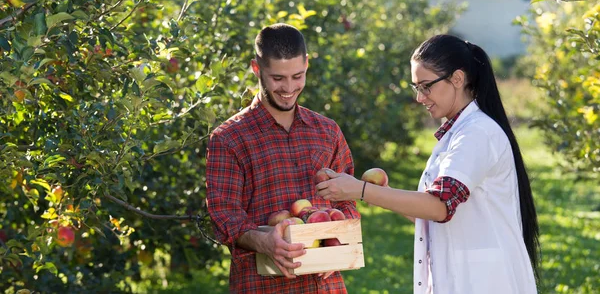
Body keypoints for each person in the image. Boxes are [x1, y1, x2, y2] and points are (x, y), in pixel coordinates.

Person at [316, 34, 540, 293]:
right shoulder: (458, 131)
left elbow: (440, 207)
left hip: (485, 281)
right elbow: (436, 212)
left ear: (457, 79)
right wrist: (383, 194)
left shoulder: (477, 133)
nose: (420, 98)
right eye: (416, 88)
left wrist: (360, 190)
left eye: (426, 86)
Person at [206, 23, 360, 293]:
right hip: (262, 285)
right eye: (278, 78)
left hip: (324, 285)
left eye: (297, 76)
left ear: (307, 65)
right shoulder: (229, 138)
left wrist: (338, 239)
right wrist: (265, 242)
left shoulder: (327, 131)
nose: (289, 88)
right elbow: (224, 215)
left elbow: (347, 200)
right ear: (257, 68)